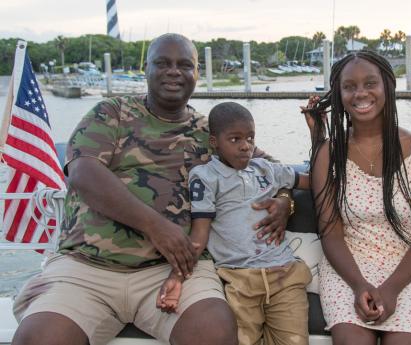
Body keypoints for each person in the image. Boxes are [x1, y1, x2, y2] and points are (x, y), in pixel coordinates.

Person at [11, 33, 293, 345]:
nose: (174, 71)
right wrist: (155, 227)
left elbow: (272, 168)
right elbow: (84, 172)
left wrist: (283, 199)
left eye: (185, 65)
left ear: (197, 73)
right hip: (88, 267)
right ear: (146, 69)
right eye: (163, 63)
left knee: (214, 330)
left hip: (177, 268)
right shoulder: (111, 113)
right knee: (40, 337)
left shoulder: (212, 133)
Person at [303, 50, 411, 344]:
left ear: (387, 87)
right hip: (349, 269)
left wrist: (391, 288)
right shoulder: (327, 154)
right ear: (339, 93)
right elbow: (331, 234)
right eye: (349, 86)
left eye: (370, 84)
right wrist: (358, 285)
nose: (360, 93)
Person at [157, 101, 312, 345]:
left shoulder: (265, 169)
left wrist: (317, 133)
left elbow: (313, 181)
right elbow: (199, 234)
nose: (245, 146)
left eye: (250, 138)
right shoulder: (206, 177)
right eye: (235, 139)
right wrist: (177, 277)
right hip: (240, 279)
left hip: (284, 274)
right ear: (214, 142)